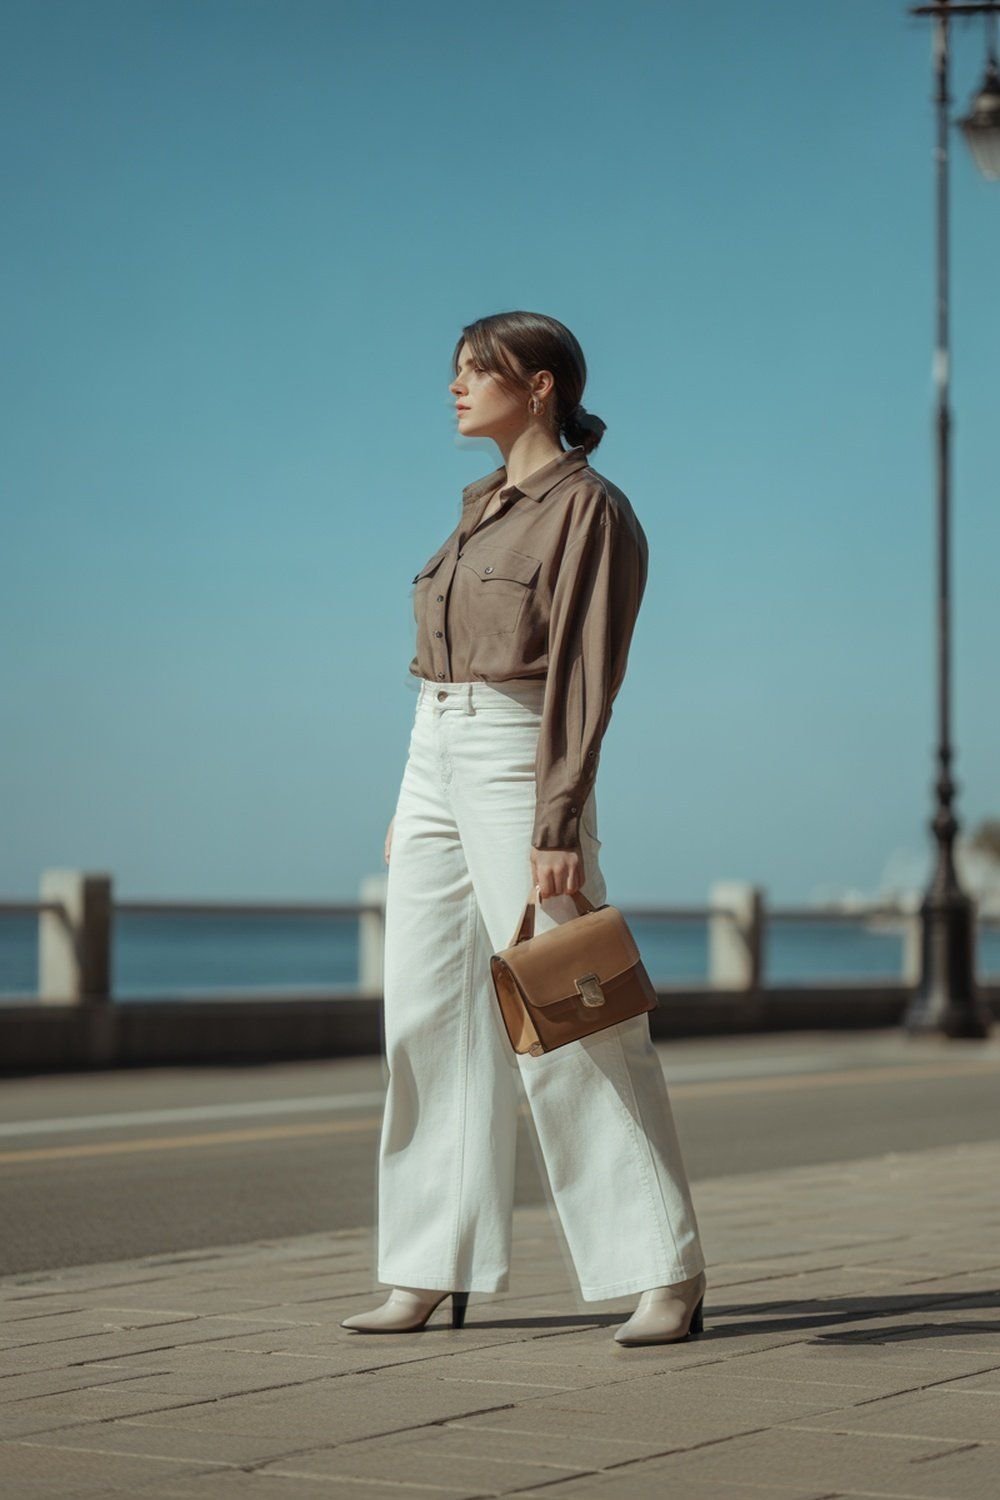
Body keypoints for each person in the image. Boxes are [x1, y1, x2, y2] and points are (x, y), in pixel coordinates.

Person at [341, 311, 707, 1345]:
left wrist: (556, 816)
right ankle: (427, 1264)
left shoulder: (586, 510)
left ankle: (663, 1272)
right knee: (424, 1017)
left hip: (519, 760)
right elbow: (439, 674)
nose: (455, 386)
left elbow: (585, 678)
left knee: (570, 1014)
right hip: (434, 756)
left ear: (538, 385)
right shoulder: (477, 511)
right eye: (453, 369)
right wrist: (412, 796)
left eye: (476, 370)